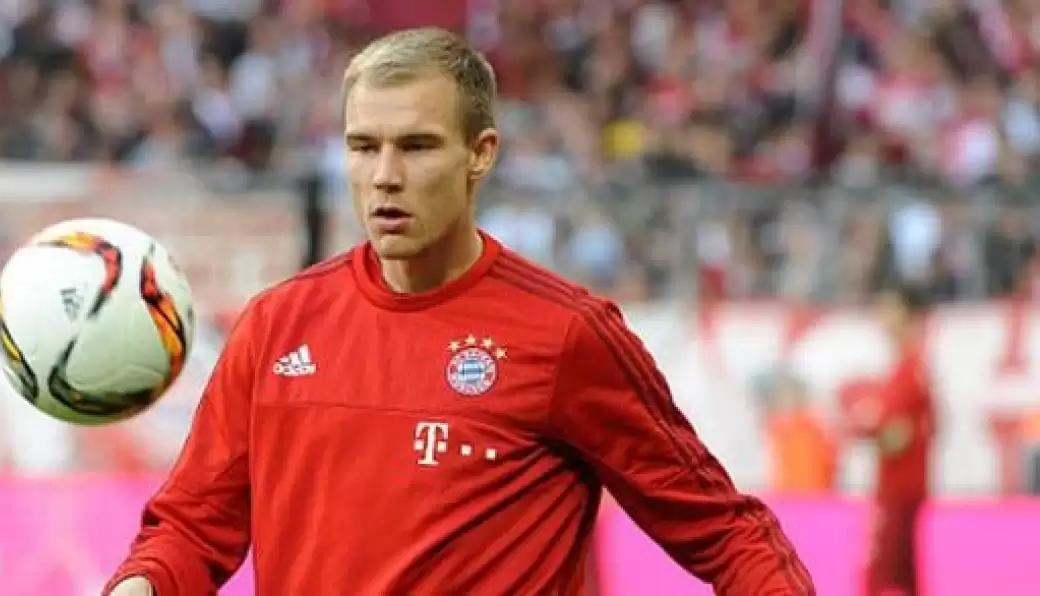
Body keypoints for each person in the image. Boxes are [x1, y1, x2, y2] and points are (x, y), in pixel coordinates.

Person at [105, 27, 813, 595]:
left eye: (415, 147)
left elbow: (728, 534)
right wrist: (142, 584)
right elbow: (191, 528)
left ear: (481, 154)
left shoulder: (566, 335)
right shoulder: (277, 327)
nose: (384, 176)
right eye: (363, 147)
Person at [848, 285, 936, 596]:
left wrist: (865, 427)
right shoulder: (912, 368)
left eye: (890, 309)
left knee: (877, 574)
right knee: (905, 575)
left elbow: (897, 438)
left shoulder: (908, 372)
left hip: (897, 488)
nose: (883, 317)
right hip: (906, 485)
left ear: (908, 316)